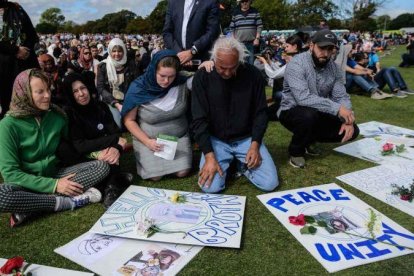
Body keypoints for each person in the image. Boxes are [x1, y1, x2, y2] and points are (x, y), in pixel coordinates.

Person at [0, 69, 110, 227]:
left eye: (48, 90)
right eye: (40, 92)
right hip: (25, 183)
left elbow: (74, 146)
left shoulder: (57, 116)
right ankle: (64, 202)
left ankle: (32, 206)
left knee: (101, 167)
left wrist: (98, 153)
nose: (47, 95)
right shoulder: (7, 125)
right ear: (24, 93)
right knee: (2, 195)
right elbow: (10, 173)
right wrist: (54, 186)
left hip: (56, 174)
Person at [191, 37, 278, 193]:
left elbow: (261, 113)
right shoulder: (203, 76)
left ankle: (239, 164)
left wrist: (255, 144)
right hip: (216, 140)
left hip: (246, 138)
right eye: (222, 67)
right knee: (210, 187)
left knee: (269, 183)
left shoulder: (253, 75)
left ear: (240, 60)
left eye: (233, 67)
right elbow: (199, 119)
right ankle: (230, 163)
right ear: (213, 59)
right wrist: (209, 157)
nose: (228, 72)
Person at [278, 29, 360, 168]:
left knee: (354, 131)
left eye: (330, 49)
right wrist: (337, 108)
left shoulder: (334, 68)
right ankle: (296, 151)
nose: (326, 53)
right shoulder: (296, 64)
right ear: (311, 46)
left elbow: (341, 95)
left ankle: (309, 139)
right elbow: (303, 98)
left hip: (318, 111)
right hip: (291, 110)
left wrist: (347, 118)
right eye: (322, 48)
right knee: (308, 116)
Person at [122, 50, 192, 181]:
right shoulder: (138, 88)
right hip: (150, 140)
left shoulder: (181, 82)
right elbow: (129, 120)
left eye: (171, 76)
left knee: (182, 172)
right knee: (155, 176)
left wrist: (208, 64)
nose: (166, 81)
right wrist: (147, 142)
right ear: (153, 70)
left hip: (178, 138)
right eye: (162, 75)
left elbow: (202, 79)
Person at [0, 0, 39, 118]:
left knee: (30, 100)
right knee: (8, 106)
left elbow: (31, 34)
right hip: (3, 68)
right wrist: (15, 50)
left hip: (23, 63)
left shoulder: (17, 9)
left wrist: (25, 50)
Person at [162, 0, 220, 65]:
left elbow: (212, 31)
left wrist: (193, 51)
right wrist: (179, 54)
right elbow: (167, 32)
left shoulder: (210, 2)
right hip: (177, 62)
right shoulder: (173, 2)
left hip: (201, 63)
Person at [97, 38, 138, 128]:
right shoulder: (103, 66)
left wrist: (130, 100)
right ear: (109, 51)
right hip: (111, 101)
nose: (117, 54)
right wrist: (115, 103)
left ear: (124, 51)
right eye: (114, 51)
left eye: (119, 51)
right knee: (117, 124)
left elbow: (136, 83)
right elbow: (100, 88)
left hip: (129, 99)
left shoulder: (130, 64)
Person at [229, 0, 263, 64]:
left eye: (246, 1)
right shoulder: (235, 13)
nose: (244, 3)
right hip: (239, 44)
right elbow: (231, 28)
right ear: (240, 2)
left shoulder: (255, 11)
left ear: (250, 1)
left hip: (251, 43)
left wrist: (257, 39)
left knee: (250, 64)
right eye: (242, 1)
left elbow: (259, 26)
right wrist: (233, 40)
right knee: (240, 64)